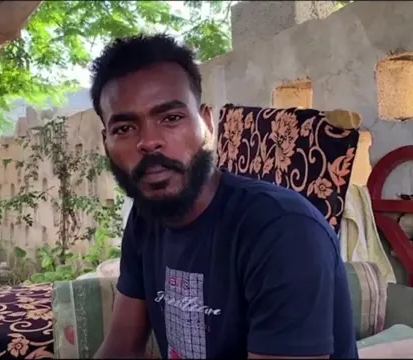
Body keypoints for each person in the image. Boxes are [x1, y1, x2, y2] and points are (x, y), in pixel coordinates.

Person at [89, 34, 358, 359]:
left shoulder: (284, 232)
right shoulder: (147, 218)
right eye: (124, 128)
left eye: (171, 118)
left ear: (206, 123)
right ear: (106, 143)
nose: (149, 142)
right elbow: (121, 349)